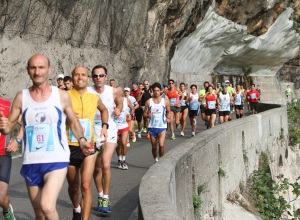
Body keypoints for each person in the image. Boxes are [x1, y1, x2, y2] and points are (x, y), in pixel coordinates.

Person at [0, 54, 90, 220]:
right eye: (33, 67)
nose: (37, 71)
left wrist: (82, 140)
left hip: (56, 159)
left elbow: (74, 122)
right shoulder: (22, 97)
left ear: (49, 70)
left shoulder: (61, 96)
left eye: (41, 67)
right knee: (39, 214)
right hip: (31, 161)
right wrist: (4, 126)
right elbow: (8, 129)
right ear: (28, 70)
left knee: (47, 206)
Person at [66, 66, 108, 220]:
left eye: (83, 75)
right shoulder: (64, 96)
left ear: (87, 78)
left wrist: (104, 126)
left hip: (89, 145)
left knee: (85, 185)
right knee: (74, 187)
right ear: (72, 78)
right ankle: (76, 207)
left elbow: (104, 110)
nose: (80, 77)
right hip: (69, 146)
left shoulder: (93, 98)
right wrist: (66, 117)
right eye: (77, 75)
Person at [87, 65, 123, 213]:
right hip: (92, 134)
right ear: (92, 78)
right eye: (95, 76)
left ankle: (106, 198)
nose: (98, 78)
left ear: (106, 77)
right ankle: (100, 194)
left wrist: (118, 109)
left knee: (106, 165)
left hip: (110, 131)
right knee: (96, 169)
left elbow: (119, 101)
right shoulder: (87, 91)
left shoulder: (112, 90)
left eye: (101, 75)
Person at [0, 113, 22, 220]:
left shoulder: (5, 105)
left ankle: (6, 210)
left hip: (3, 155)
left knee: (0, 198)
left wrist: (17, 139)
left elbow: (25, 122)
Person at [143, 82, 171, 163]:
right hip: (152, 127)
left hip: (162, 126)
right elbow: (144, 114)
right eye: (154, 90)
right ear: (152, 91)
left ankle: (161, 161)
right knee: (154, 147)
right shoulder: (149, 101)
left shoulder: (165, 101)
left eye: (158, 90)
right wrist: (148, 115)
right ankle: (156, 159)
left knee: (161, 145)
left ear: (160, 91)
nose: (156, 92)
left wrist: (167, 118)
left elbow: (169, 111)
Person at [114, 87, 135, 170]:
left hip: (124, 126)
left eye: (120, 91)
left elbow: (132, 108)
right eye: (116, 92)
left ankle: (123, 160)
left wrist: (130, 114)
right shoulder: (112, 101)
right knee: (118, 145)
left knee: (123, 142)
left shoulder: (126, 100)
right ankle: (119, 160)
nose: (118, 93)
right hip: (115, 127)